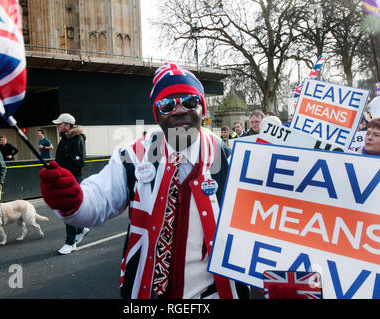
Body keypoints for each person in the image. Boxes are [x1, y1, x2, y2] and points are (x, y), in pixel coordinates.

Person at [39, 63, 250, 299]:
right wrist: (71, 200)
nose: (179, 110)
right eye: (167, 105)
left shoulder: (232, 159)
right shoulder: (133, 156)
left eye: (190, 101)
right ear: (156, 114)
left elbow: (267, 223)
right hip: (145, 293)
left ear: (203, 108)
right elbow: (98, 199)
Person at [51, 113, 89, 255]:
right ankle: (80, 229)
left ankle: (70, 242)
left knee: (68, 211)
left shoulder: (77, 139)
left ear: (67, 125)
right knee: (67, 210)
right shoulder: (64, 139)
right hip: (62, 180)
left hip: (71, 181)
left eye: (59, 124)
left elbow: (78, 162)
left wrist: (63, 174)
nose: (57, 126)